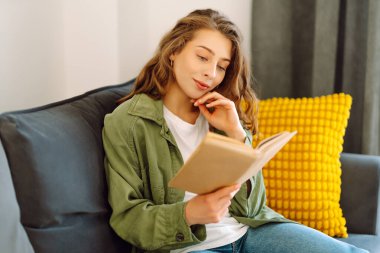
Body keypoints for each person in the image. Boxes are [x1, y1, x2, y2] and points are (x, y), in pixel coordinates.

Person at [102, 9, 368, 253]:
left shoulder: (221, 114)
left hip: (249, 233)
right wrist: (188, 214)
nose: (210, 74)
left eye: (221, 66)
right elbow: (127, 218)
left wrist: (236, 133)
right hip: (188, 247)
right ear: (174, 50)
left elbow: (252, 208)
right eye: (203, 57)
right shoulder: (128, 122)